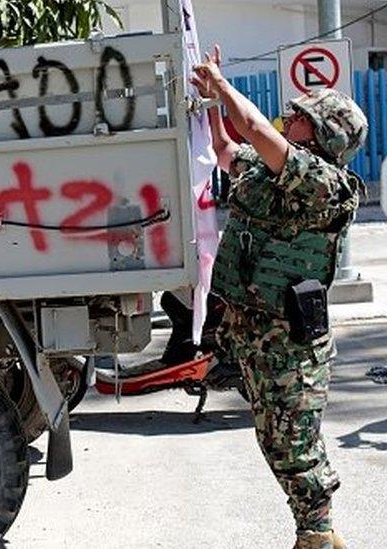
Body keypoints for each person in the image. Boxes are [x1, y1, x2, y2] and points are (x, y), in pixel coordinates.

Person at [191, 45, 367, 549]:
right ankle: (313, 532)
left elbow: (254, 131)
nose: (288, 118)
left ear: (319, 134)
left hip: (289, 339)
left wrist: (223, 86)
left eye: (299, 116)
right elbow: (229, 150)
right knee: (273, 437)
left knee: (294, 442)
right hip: (255, 331)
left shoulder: (324, 183)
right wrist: (210, 104)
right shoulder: (271, 173)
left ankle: (318, 534)